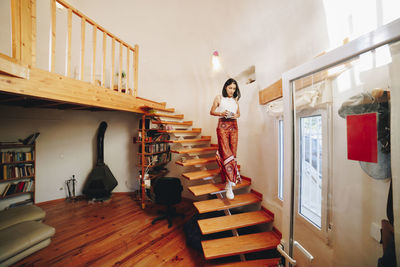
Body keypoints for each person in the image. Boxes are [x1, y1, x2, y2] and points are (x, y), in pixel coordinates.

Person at [210, 78, 241, 199]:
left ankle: (228, 182)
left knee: (232, 153)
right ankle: (229, 183)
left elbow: (239, 114)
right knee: (225, 152)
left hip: (234, 125)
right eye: (230, 88)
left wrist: (234, 115)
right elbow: (212, 111)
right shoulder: (219, 97)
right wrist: (221, 113)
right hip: (222, 125)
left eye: (234, 88)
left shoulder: (235, 99)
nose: (232, 90)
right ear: (225, 87)